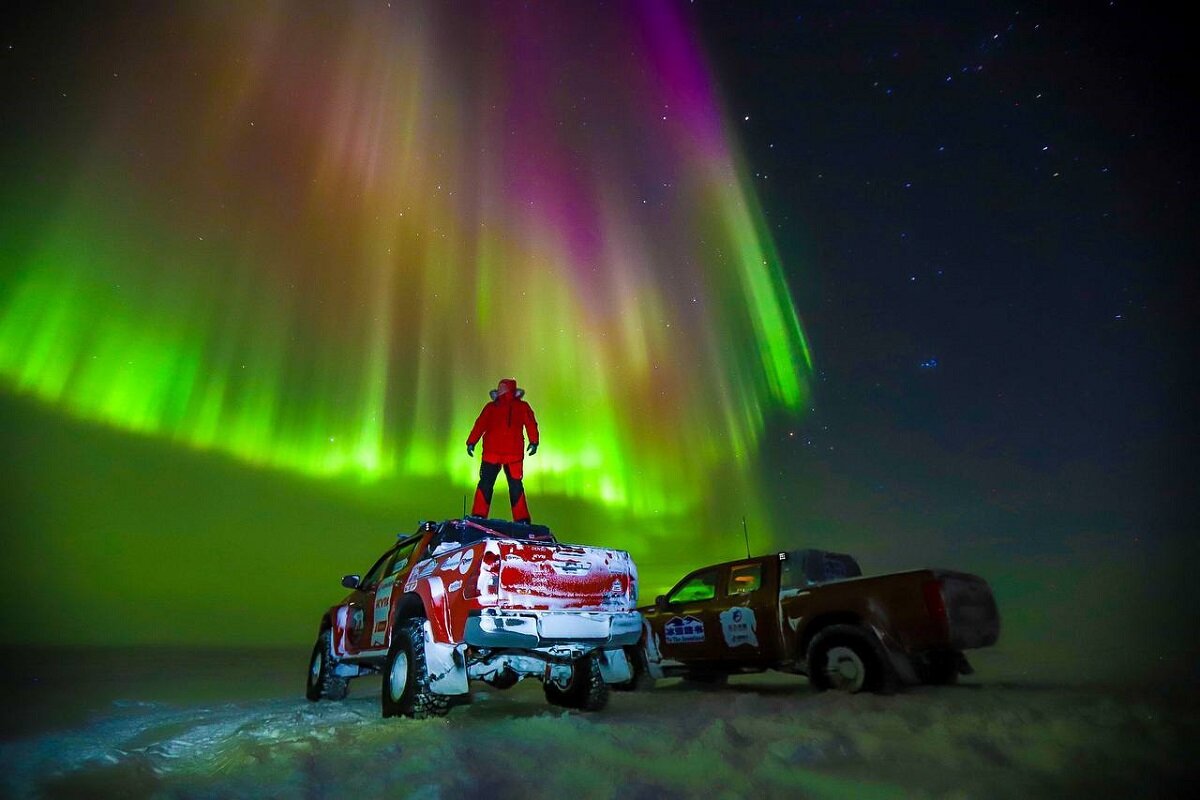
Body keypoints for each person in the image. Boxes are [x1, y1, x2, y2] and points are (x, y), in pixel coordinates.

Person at [466, 378, 539, 523]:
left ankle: (519, 519)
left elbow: (531, 423)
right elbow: (480, 424)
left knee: (511, 486)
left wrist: (534, 441)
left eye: (503, 388)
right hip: (498, 454)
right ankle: (482, 516)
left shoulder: (520, 407)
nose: (500, 390)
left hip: (507, 455)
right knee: (489, 484)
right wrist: (471, 441)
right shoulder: (492, 407)